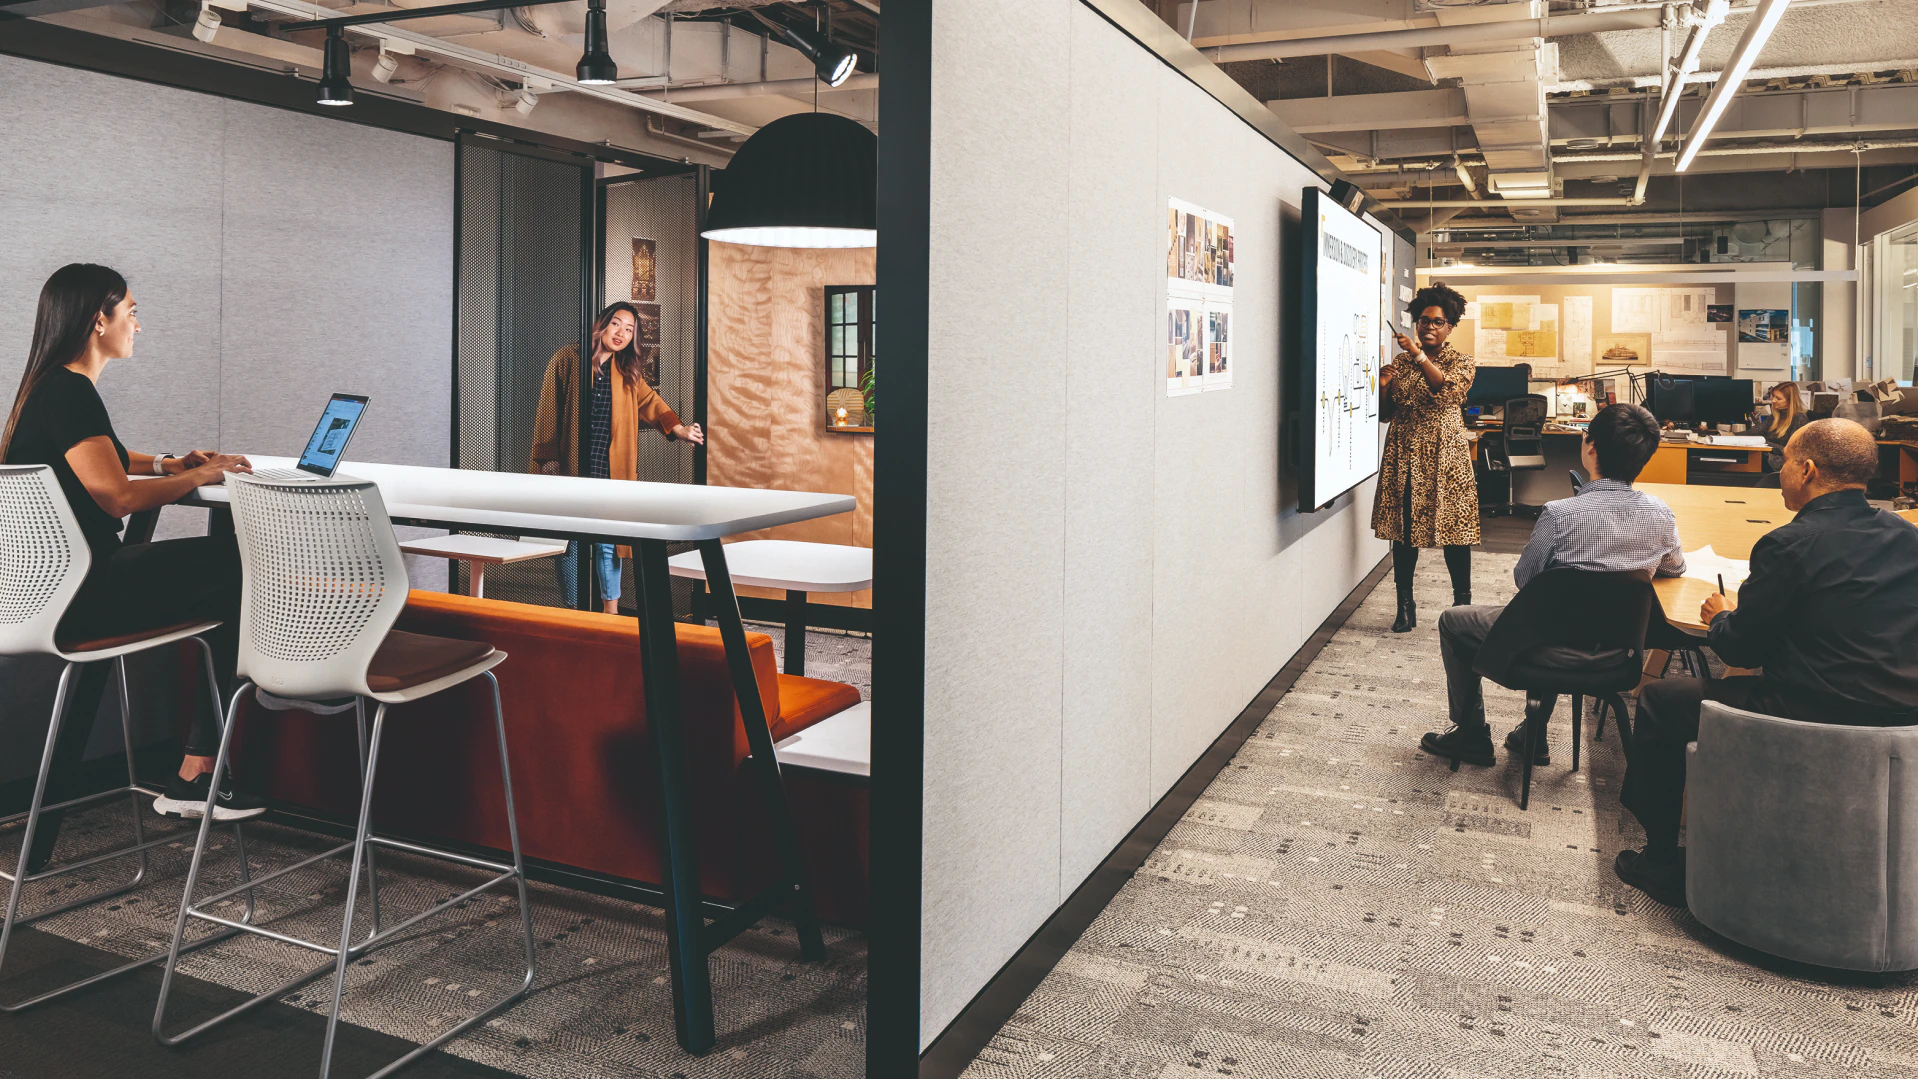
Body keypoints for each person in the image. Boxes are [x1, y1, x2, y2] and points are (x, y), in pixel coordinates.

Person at [2, 264, 265, 869]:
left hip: (43, 596)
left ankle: (198, 769)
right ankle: (209, 763)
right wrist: (202, 476)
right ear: (101, 319)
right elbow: (114, 494)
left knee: (223, 577)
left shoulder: (44, 392)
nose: (138, 325)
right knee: (242, 563)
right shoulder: (70, 391)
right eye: (132, 312)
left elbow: (103, 457)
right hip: (88, 592)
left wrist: (170, 463)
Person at [1615, 417, 1918, 907]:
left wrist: (1721, 618)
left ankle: (1660, 860)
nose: (1779, 472)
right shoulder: (1907, 537)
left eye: (1784, 463)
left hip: (1810, 711)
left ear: (1807, 470)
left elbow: (1741, 651)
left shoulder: (1787, 544)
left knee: (1660, 699)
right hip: (1904, 712)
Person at [1418, 403, 1686, 768]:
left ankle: (1472, 733)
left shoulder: (1560, 514)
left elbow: (1525, 581)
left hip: (1545, 645)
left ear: (1590, 448)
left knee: (1454, 619)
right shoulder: (1661, 514)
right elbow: (1674, 568)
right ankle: (1533, 731)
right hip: (1619, 655)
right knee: (1565, 616)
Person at [529, 302, 704, 614]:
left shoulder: (626, 371)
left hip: (612, 471)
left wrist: (679, 429)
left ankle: (611, 613)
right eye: (616, 324)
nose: (621, 333)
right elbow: (548, 411)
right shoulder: (568, 358)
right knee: (573, 542)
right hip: (575, 467)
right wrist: (548, 459)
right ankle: (574, 606)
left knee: (610, 543)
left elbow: (651, 402)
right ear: (602, 324)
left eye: (629, 329)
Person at [1374, 281, 1478, 633]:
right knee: (1403, 534)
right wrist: (1386, 387)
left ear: (1450, 327)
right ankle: (1406, 606)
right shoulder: (1400, 363)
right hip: (1404, 453)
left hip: (1445, 457)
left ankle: (1462, 607)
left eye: (1437, 322)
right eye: (1423, 320)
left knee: (1455, 532)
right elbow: (1387, 414)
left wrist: (1418, 357)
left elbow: (1447, 391)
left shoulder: (1462, 362)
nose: (1429, 327)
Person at [1757, 380, 1806, 474]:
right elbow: (1755, 431)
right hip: (1769, 456)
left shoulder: (1799, 418)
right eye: (1773, 396)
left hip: (1781, 462)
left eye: (1778, 398)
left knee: (1755, 459)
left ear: (1790, 401)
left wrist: (1765, 443)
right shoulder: (1775, 417)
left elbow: (1792, 450)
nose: (1773, 400)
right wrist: (1729, 436)